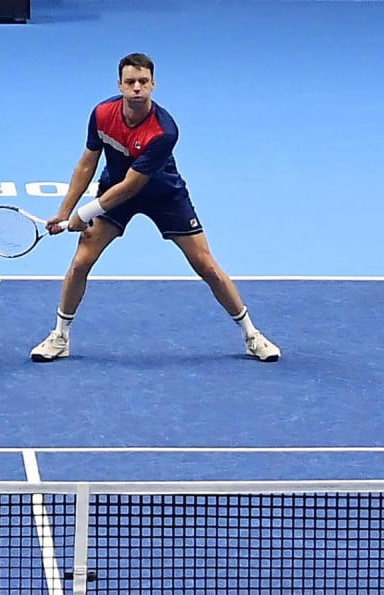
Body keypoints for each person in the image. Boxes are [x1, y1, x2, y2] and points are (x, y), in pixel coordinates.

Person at [31, 52, 281, 364]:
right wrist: (65, 210)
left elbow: (132, 187)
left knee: (206, 266)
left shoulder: (164, 131)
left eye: (143, 82)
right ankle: (60, 336)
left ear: (153, 84)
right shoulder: (101, 114)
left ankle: (251, 334)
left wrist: (84, 214)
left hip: (163, 194)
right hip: (114, 189)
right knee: (81, 262)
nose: (137, 87)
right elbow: (87, 162)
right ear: (119, 85)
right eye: (130, 82)